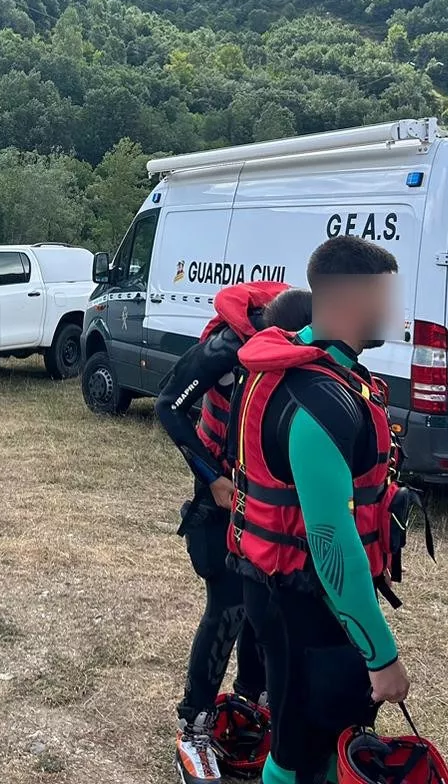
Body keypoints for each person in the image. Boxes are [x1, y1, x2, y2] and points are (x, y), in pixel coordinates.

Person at [229, 237, 410, 784]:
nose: (396, 312)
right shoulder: (319, 399)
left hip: (278, 590)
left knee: (307, 740)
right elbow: (330, 541)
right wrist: (382, 657)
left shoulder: (304, 370)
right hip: (305, 603)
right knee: (303, 752)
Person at [155, 281, 312, 784]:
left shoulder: (304, 353)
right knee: (227, 605)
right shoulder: (225, 350)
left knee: (264, 600)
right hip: (221, 492)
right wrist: (213, 479)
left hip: (266, 496)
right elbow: (167, 405)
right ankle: (195, 727)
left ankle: (251, 699)